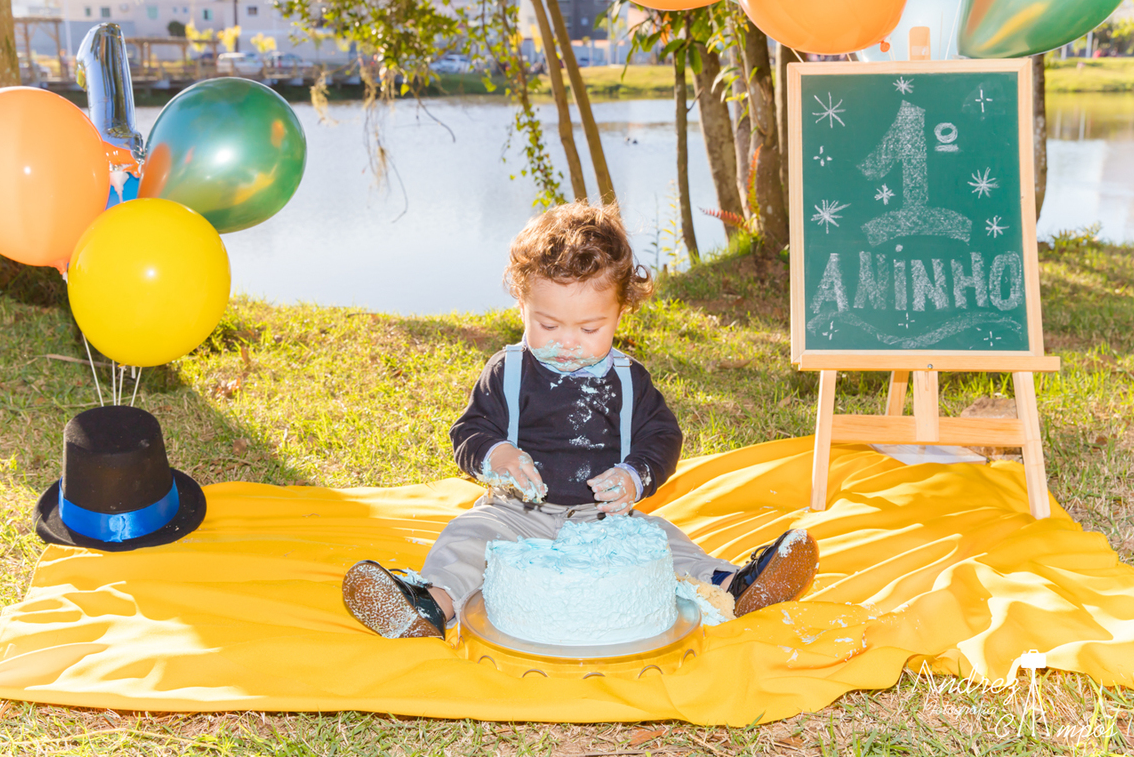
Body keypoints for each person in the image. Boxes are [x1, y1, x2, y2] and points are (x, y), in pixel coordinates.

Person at [342, 202, 818, 639]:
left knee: (662, 543)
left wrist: (635, 475)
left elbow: (662, 436)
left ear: (620, 312)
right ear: (521, 306)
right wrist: (497, 454)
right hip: (516, 513)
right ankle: (430, 606)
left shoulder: (629, 381)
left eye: (590, 329)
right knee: (465, 538)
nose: (567, 342)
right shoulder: (507, 372)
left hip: (605, 517)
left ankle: (734, 585)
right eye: (547, 325)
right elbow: (469, 432)